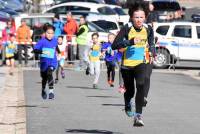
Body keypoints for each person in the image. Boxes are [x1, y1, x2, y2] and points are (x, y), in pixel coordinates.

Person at [112, 2, 155, 126]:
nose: (139, 20)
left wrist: (152, 52)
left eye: (141, 17)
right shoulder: (126, 28)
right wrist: (130, 42)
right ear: (132, 17)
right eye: (136, 17)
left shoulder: (148, 28)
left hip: (140, 63)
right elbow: (115, 45)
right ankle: (127, 103)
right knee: (130, 91)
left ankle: (138, 116)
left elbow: (151, 43)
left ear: (145, 17)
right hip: (127, 65)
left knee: (141, 85)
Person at [34, 24, 60, 100]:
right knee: (44, 79)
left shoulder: (55, 40)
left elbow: (56, 46)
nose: (50, 35)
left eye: (52, 33)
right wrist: (41, 51)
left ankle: (51, 92)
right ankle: (43, 90)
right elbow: (35, 50)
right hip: (44, 63)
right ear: (45, 33)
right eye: (48, 33)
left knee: (49, 73)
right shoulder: (42, 41)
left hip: (53, 62)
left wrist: (59, 52)